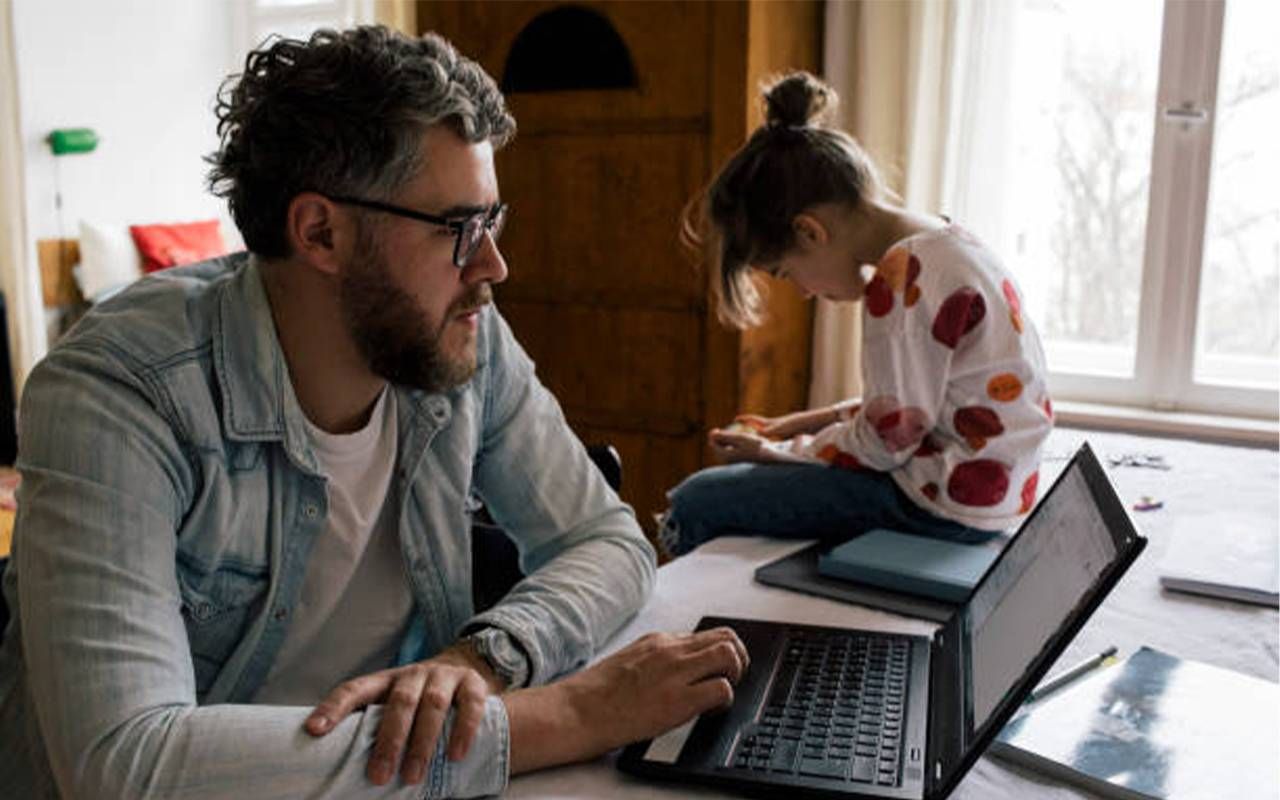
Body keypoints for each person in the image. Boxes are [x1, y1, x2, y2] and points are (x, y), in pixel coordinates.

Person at [0, 26, 748, 799]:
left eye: (493, 222)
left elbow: (604, 538)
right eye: (460, 229)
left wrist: (485, 660)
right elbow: (124, 763)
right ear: (320, 230)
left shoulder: (463, 340)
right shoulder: (119, 393)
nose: (494, 266)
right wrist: (566, 716)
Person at [659, 71, 1052, 558]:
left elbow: (886, 444)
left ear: (810, 233)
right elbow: (913, 404)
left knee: (700, 498)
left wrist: (777, 454)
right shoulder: (949, 243)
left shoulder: (900, 278)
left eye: (787, 273)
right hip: (999, 493)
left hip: (943, 506)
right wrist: (799, 424)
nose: (803, 292)